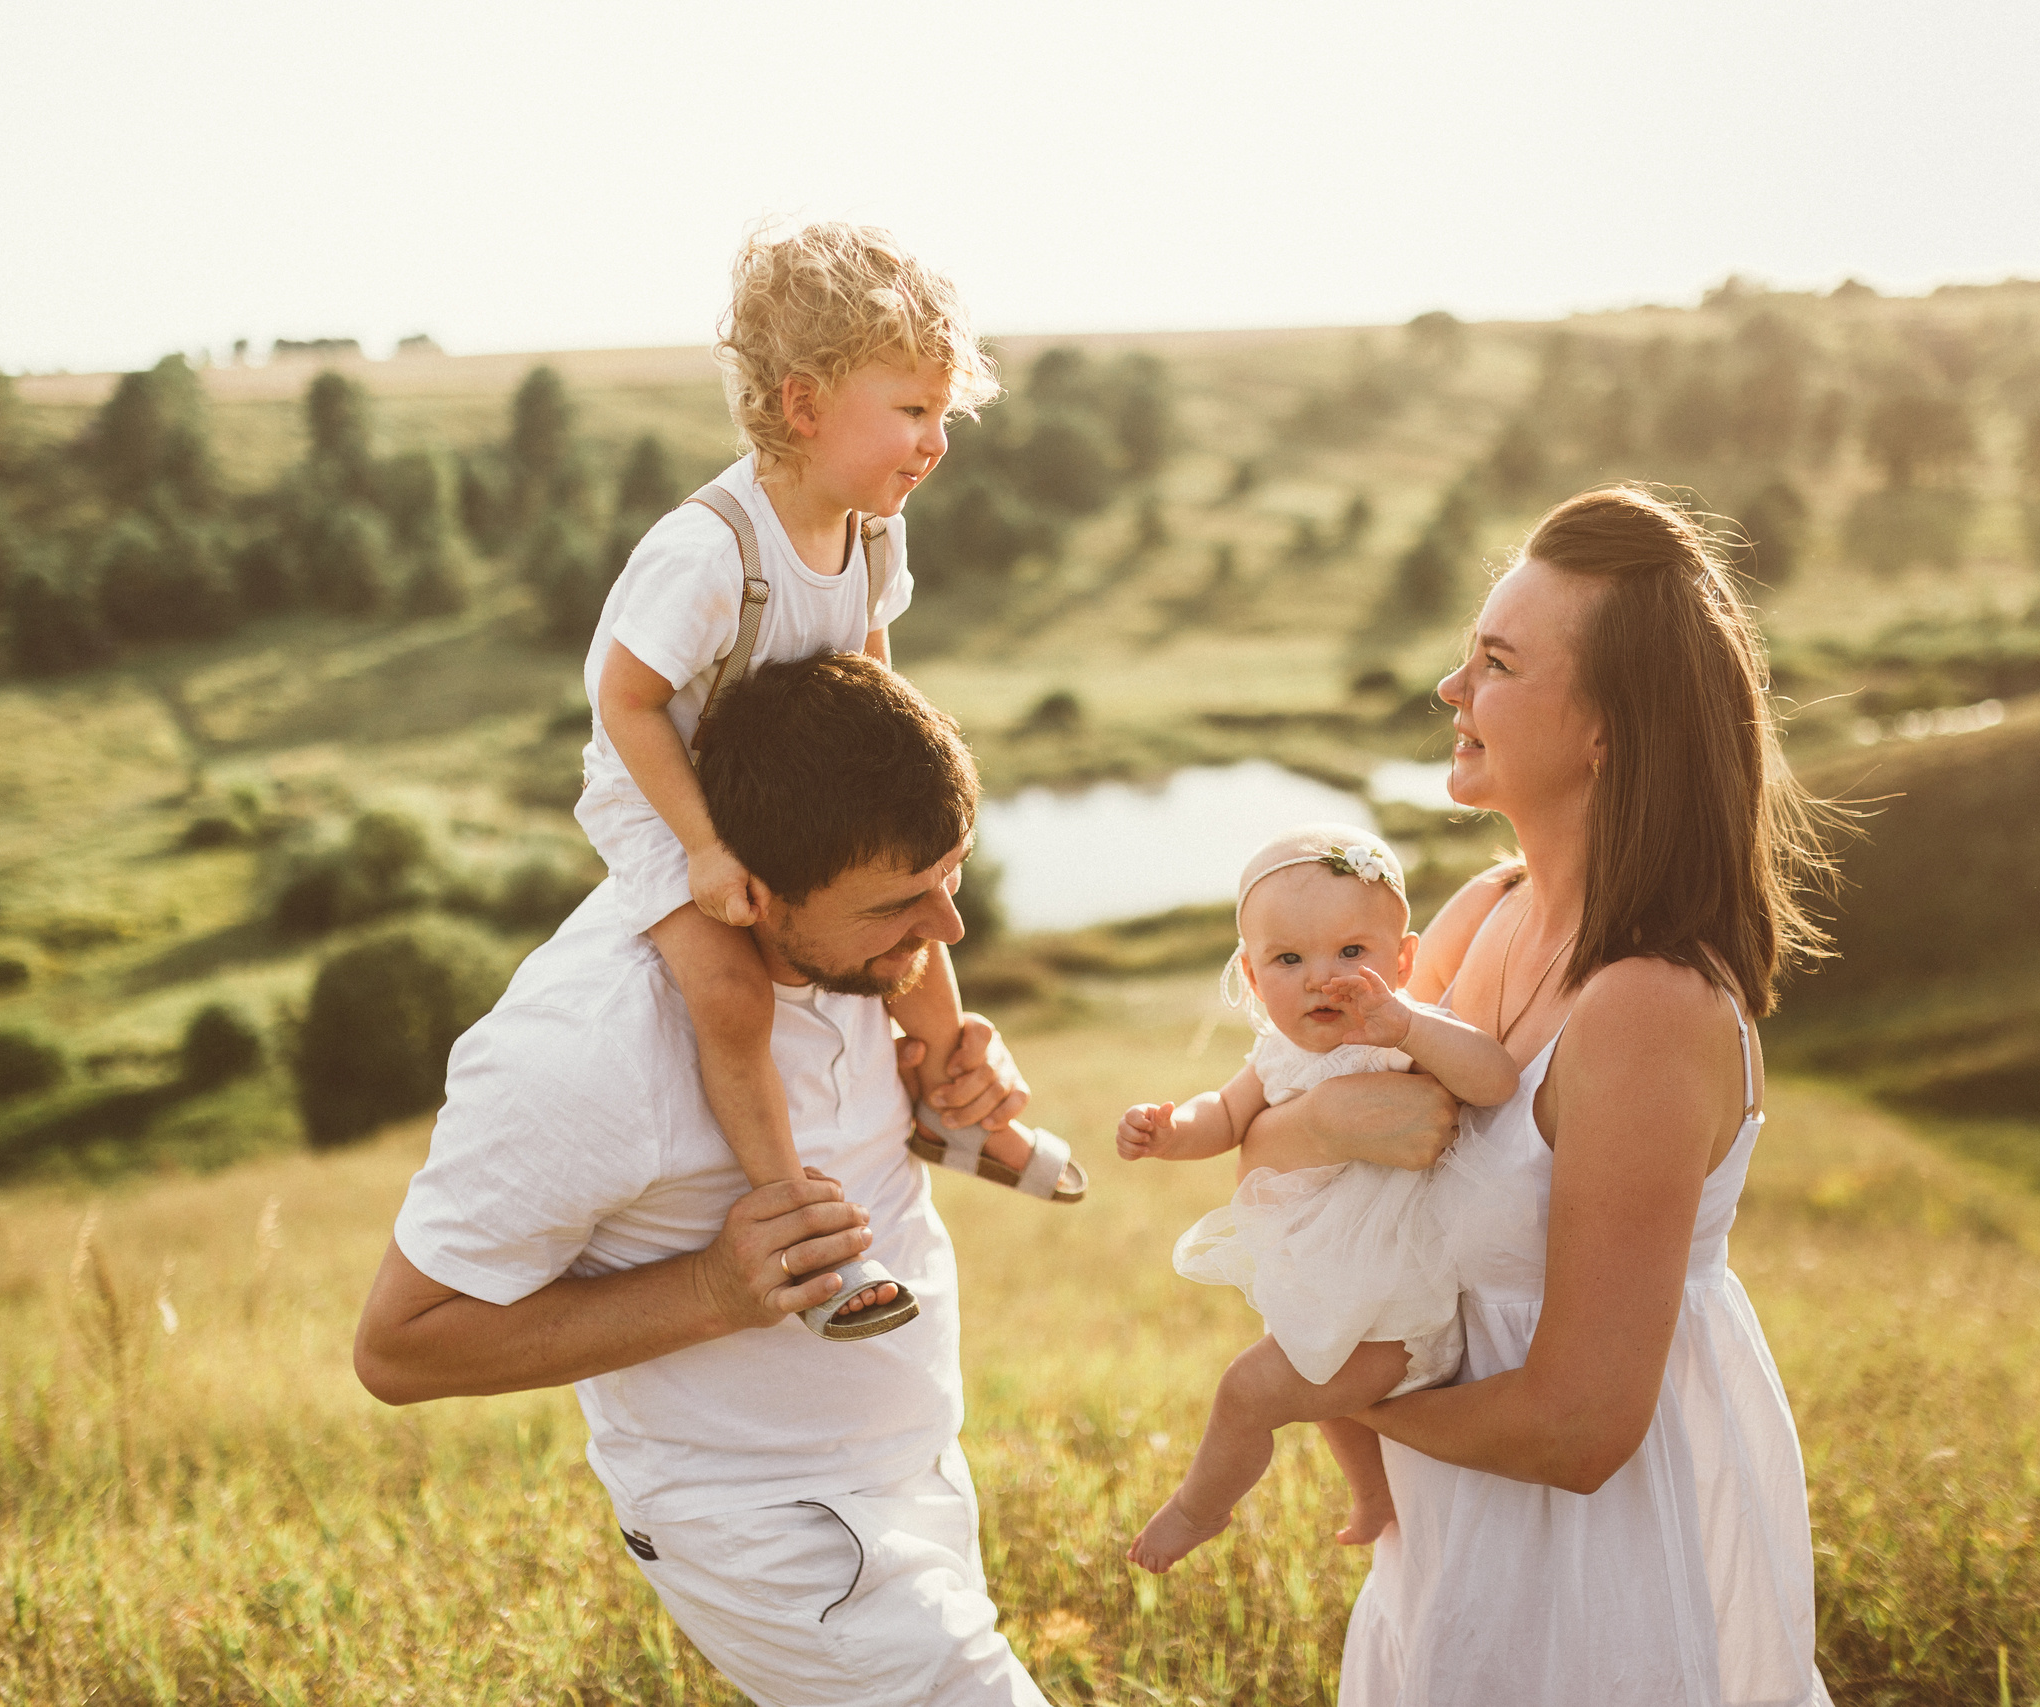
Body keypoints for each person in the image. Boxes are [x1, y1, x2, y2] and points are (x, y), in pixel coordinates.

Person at [353, 652, 1056, 1706]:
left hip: (916, 1476)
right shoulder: (585, 1051)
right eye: (902, 904)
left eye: (949, 877)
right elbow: (398, 1349)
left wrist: (939, 1089)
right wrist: (710, 1291)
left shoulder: (856, 952)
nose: (948, 929)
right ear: (749, 895)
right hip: (775, 1534)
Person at [1267, 487, 1842, 1705]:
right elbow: (1322, 1147)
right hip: (1457, 1539)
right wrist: (1306, 1127)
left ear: (1607, 733)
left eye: (1496, 662)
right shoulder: (1483, 913)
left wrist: (1329, 1396)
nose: (1449, 689)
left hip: (1596, 1571)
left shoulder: (1645, 1010)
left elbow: (1581, 1430)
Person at [578, 222, 1077, 1337]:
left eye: (943, 416)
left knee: (915, 912)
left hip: (797, 786)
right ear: (803, 407)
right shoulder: (709, 552)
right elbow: (625, 703)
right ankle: (795, 1218)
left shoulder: (870, 535)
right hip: (677, 797)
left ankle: (952, 1100)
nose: (937, 442)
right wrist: (703, 851)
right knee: (729, 991)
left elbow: (864, 677)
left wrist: (901, 799)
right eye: (911, 412)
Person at [1115, 824, 1519, 1572]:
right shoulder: (1278, 1052)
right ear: (1252, 970)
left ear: (1403, 960)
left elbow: (1494, 1079)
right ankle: (1374, 1495)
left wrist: (1413, 1025)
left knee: (1248, 1389)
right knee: (1324, 1395)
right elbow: (1226, 1115)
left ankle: (1198, 1509)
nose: (1321, 978)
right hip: (1337, 1297)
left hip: (1400, 1320)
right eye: (1289, 959)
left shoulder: (1401, 1034)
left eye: (1352, 953)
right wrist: (1170, 1130)